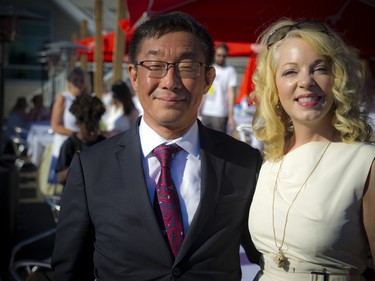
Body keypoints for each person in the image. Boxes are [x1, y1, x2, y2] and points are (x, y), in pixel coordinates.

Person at [52, 11, 262, 281]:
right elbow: (69, 270)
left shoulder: (242, 162)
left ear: (208, 79)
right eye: (155, 66)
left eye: (186, 67)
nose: (170, 82)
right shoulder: (91, 167)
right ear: (134, 76)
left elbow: (267, 257)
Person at [248, 18, 375, 280]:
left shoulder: (365, 162)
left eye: (320, 69)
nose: (306, 81)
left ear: (337, 79)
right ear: (274, 87)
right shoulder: (269, 158)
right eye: (290, 72)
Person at [49, 67, 90, 184]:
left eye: (82, 81)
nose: (79, 84)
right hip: (65, 147)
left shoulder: (86, 99)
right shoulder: (63, 98)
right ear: (69, 82)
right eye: (75, 80)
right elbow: (55, 126)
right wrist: (76, 134)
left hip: (82, 148)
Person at [55, 94, 106, 185]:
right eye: (90, 129)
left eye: (96, 128)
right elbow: (60, 177)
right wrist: (80, 168)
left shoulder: (103, 143)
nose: (93, 133)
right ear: (78, 123)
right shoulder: (70, 145)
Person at [200, 42, 237, 134]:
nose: (221, 58)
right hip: (206, 112)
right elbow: (204, 90)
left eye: (224, 56)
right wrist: (198, 109)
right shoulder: (209, 69)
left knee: (219, 143)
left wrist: (231, 115)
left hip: (220, 113)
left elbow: (231, 94)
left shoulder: (230, 71)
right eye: (219, 55)